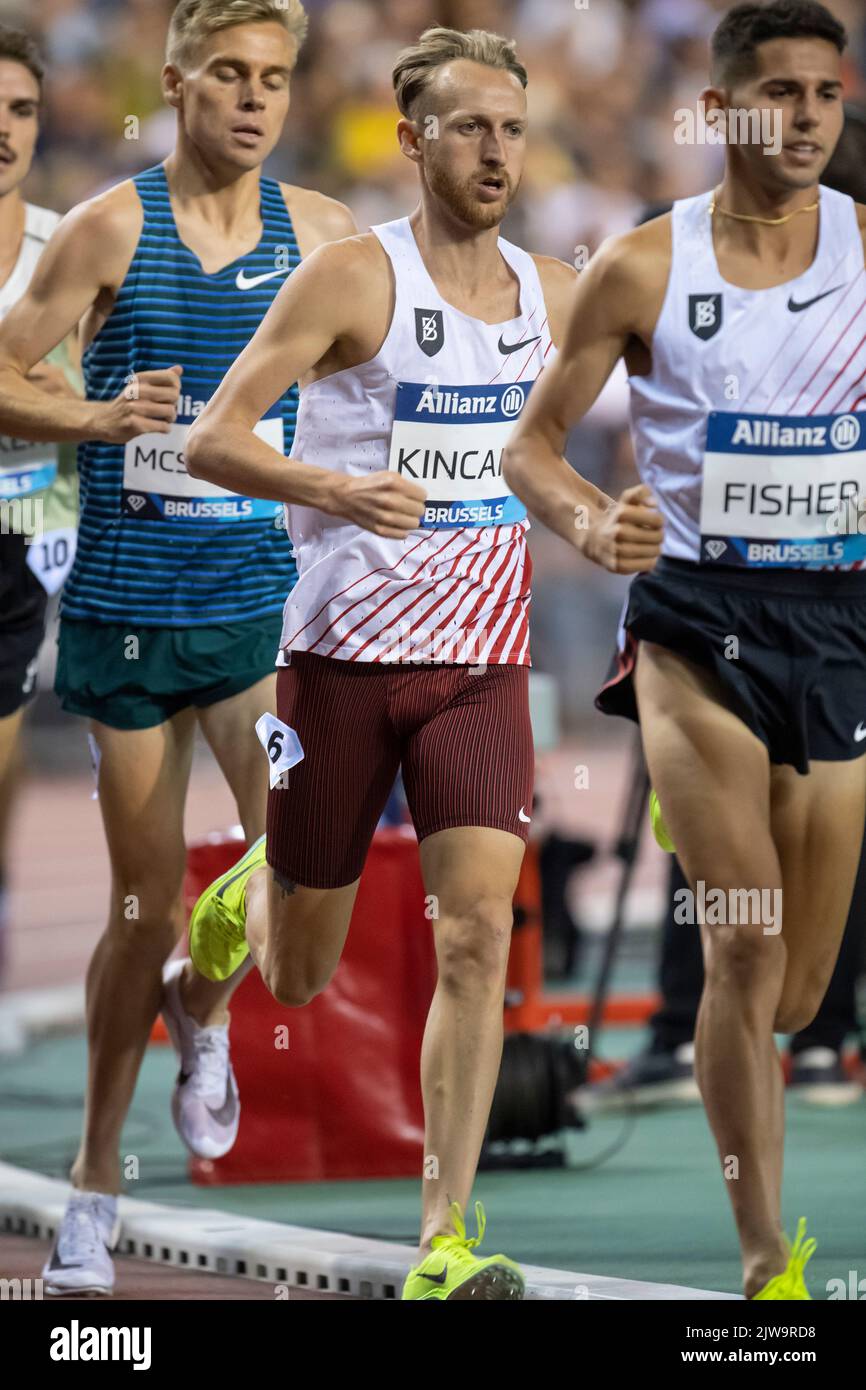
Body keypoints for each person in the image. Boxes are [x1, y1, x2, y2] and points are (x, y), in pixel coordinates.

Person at [182, 25, 577, 1300]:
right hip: (343, 660)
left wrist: (593, 518)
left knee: (474, 933)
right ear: (411, 141)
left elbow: (565, 454)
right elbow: (211, 439)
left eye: (511, 129)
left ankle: (442, 1238)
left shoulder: (554, 294)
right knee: (300, 964)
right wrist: (331, 489)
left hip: (478, 666)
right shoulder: (355, 278)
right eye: (469, 127)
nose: (495, 152)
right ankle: (245, 903)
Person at [503, 0, 863, 1299]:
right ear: (717, 113)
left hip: (836, 627)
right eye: (780, 94)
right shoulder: (645, 267)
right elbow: (527, 445)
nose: (809, 117)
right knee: (744, 946)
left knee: (798, 992)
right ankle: (765, 1255)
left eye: (826, 93)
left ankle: (719, 855)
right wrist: (594, 519)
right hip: (694, 626)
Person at [0, 0, 356, 1296]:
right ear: (174, 81)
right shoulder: (109, 229)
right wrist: (94, 415)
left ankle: (195, 1011)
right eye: (228, 75)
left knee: (305, 873)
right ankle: (93, 1189)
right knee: (140, 902)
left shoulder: (321, 235)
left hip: (261, 608)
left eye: (273, 78)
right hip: (128, 613)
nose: (254, 100)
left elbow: (384, 379)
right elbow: (1, 366)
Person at [0, 24, 81, 995]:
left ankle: (7, 893)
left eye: (20, 110)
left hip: (40, 535)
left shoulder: (71, 244)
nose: (5, 130)